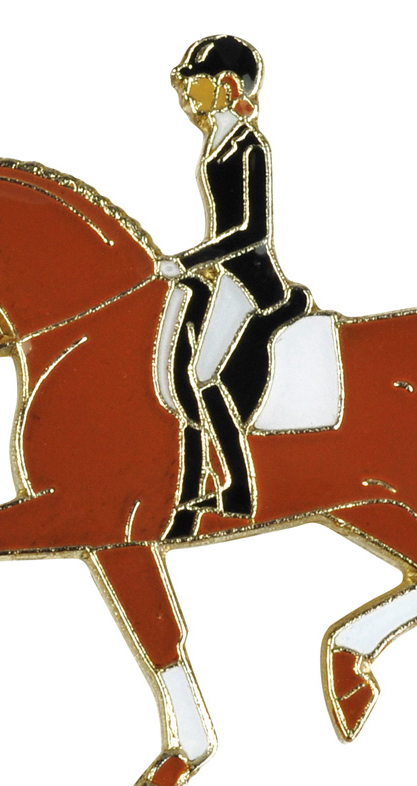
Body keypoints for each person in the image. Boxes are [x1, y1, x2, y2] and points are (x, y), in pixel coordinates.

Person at [161, 35, 311, 538]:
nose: (188, 93)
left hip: (251, 277)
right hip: (224, 273)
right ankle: (213, 478)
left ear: (226, 85)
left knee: (205, 374)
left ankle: (240, 488)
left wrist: (189, 259)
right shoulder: (217, 140)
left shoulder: (250, 146)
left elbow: (251, 231)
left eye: (198, 82)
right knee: (188, 366)